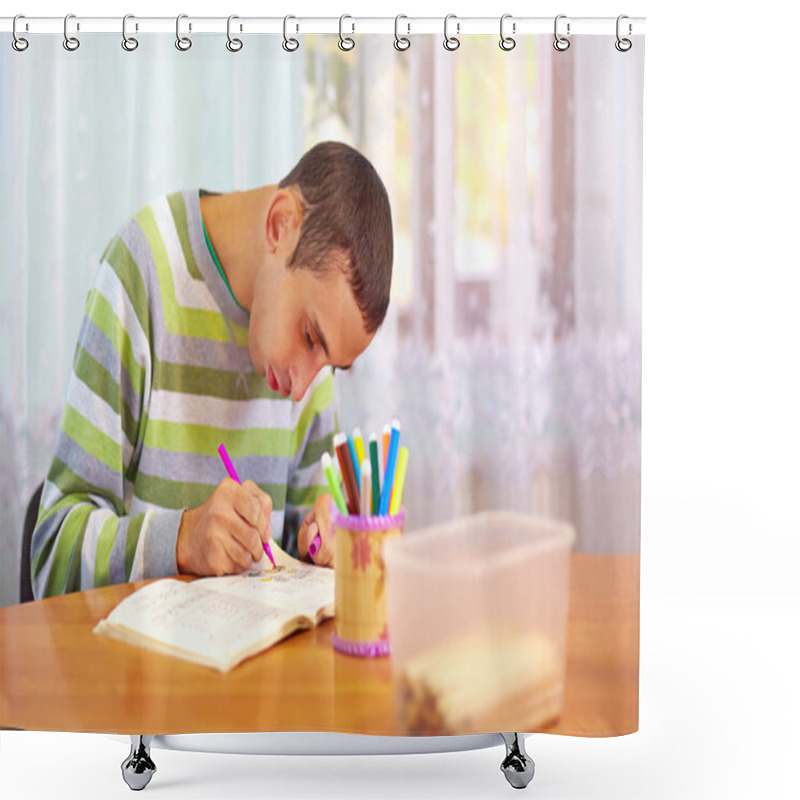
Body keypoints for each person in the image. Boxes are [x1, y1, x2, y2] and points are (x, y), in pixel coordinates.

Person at [30, 141, 393, 598]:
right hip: (130, 667)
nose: (303, 389)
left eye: (333, 367)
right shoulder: (141, 272)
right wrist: (181, 539)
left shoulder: (307, 364)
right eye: (308, 336)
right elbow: (51, 556)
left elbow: (304, 568)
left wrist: (328, 542)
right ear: (280, 225)